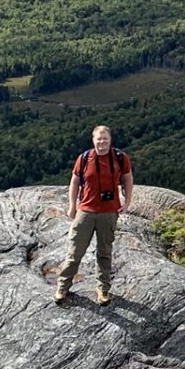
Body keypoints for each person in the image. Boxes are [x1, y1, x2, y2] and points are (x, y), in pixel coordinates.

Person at [56, 124, 134, 305]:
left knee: (104, 252)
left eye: (105, 139)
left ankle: (103, 289)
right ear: (93, 140)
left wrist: (127, 202)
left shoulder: (120, 158)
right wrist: (72, 206)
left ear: (110, 140)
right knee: (75, 252)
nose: (102, 142)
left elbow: (128, 178)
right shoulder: (84, 158)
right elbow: (75, 182)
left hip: (109, 212)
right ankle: (62, 286)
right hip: (86, 211)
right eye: (99, 139)